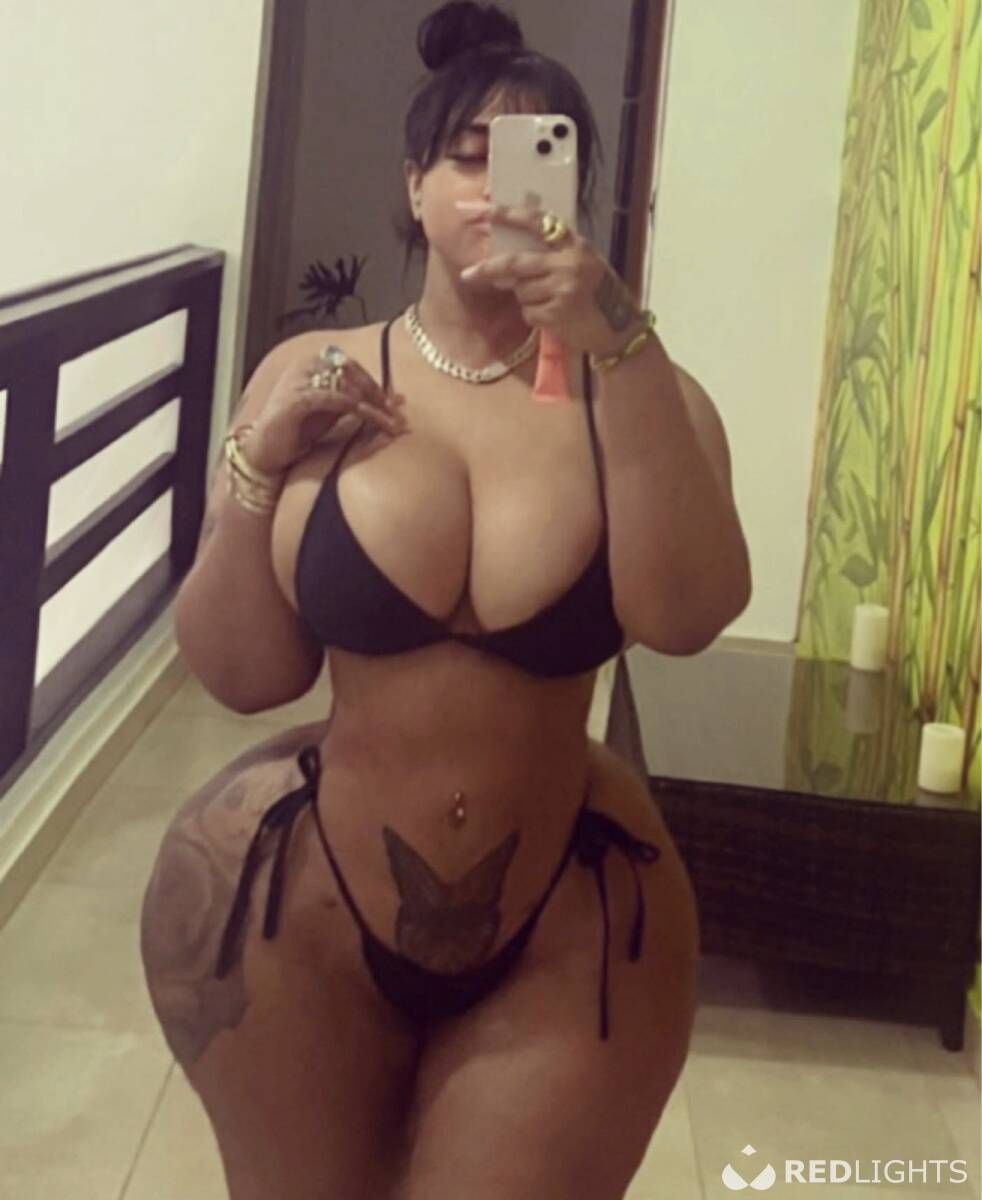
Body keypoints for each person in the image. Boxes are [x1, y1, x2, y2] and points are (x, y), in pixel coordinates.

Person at [140, 3, 748, 1197]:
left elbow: (686, 619)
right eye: (469, 157)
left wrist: (619, 342)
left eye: (536, 157)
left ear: (574, 195)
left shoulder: (644, 394)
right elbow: (239, 673)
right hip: (308, 912)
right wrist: (257, 464)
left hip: (565, 926)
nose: (496, 189)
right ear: (413, 185)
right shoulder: (314, 375)